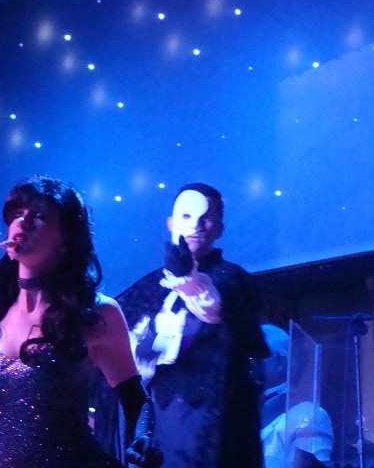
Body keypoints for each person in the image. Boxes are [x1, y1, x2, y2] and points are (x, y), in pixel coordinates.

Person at [0, 175, 160, 468]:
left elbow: (135, 400)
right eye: (18, 214)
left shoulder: (96, 313)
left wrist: (141, 439)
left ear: (66, 241)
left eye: (38, 216)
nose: (23, 222)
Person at [113, 183, 270, 468]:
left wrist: (187, 279)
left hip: (206, 425)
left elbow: (214, 307)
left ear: (218, 228)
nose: (196, 225)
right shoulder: (147, 287)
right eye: (187, 216)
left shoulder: (232, 280)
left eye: (206, 217)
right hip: (153, 423)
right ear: (171, 222)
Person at [258, 323, 334, 468]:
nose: (250, 365)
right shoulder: (239, 414)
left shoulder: (307, 415)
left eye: (257, 357)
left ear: (281, 362)